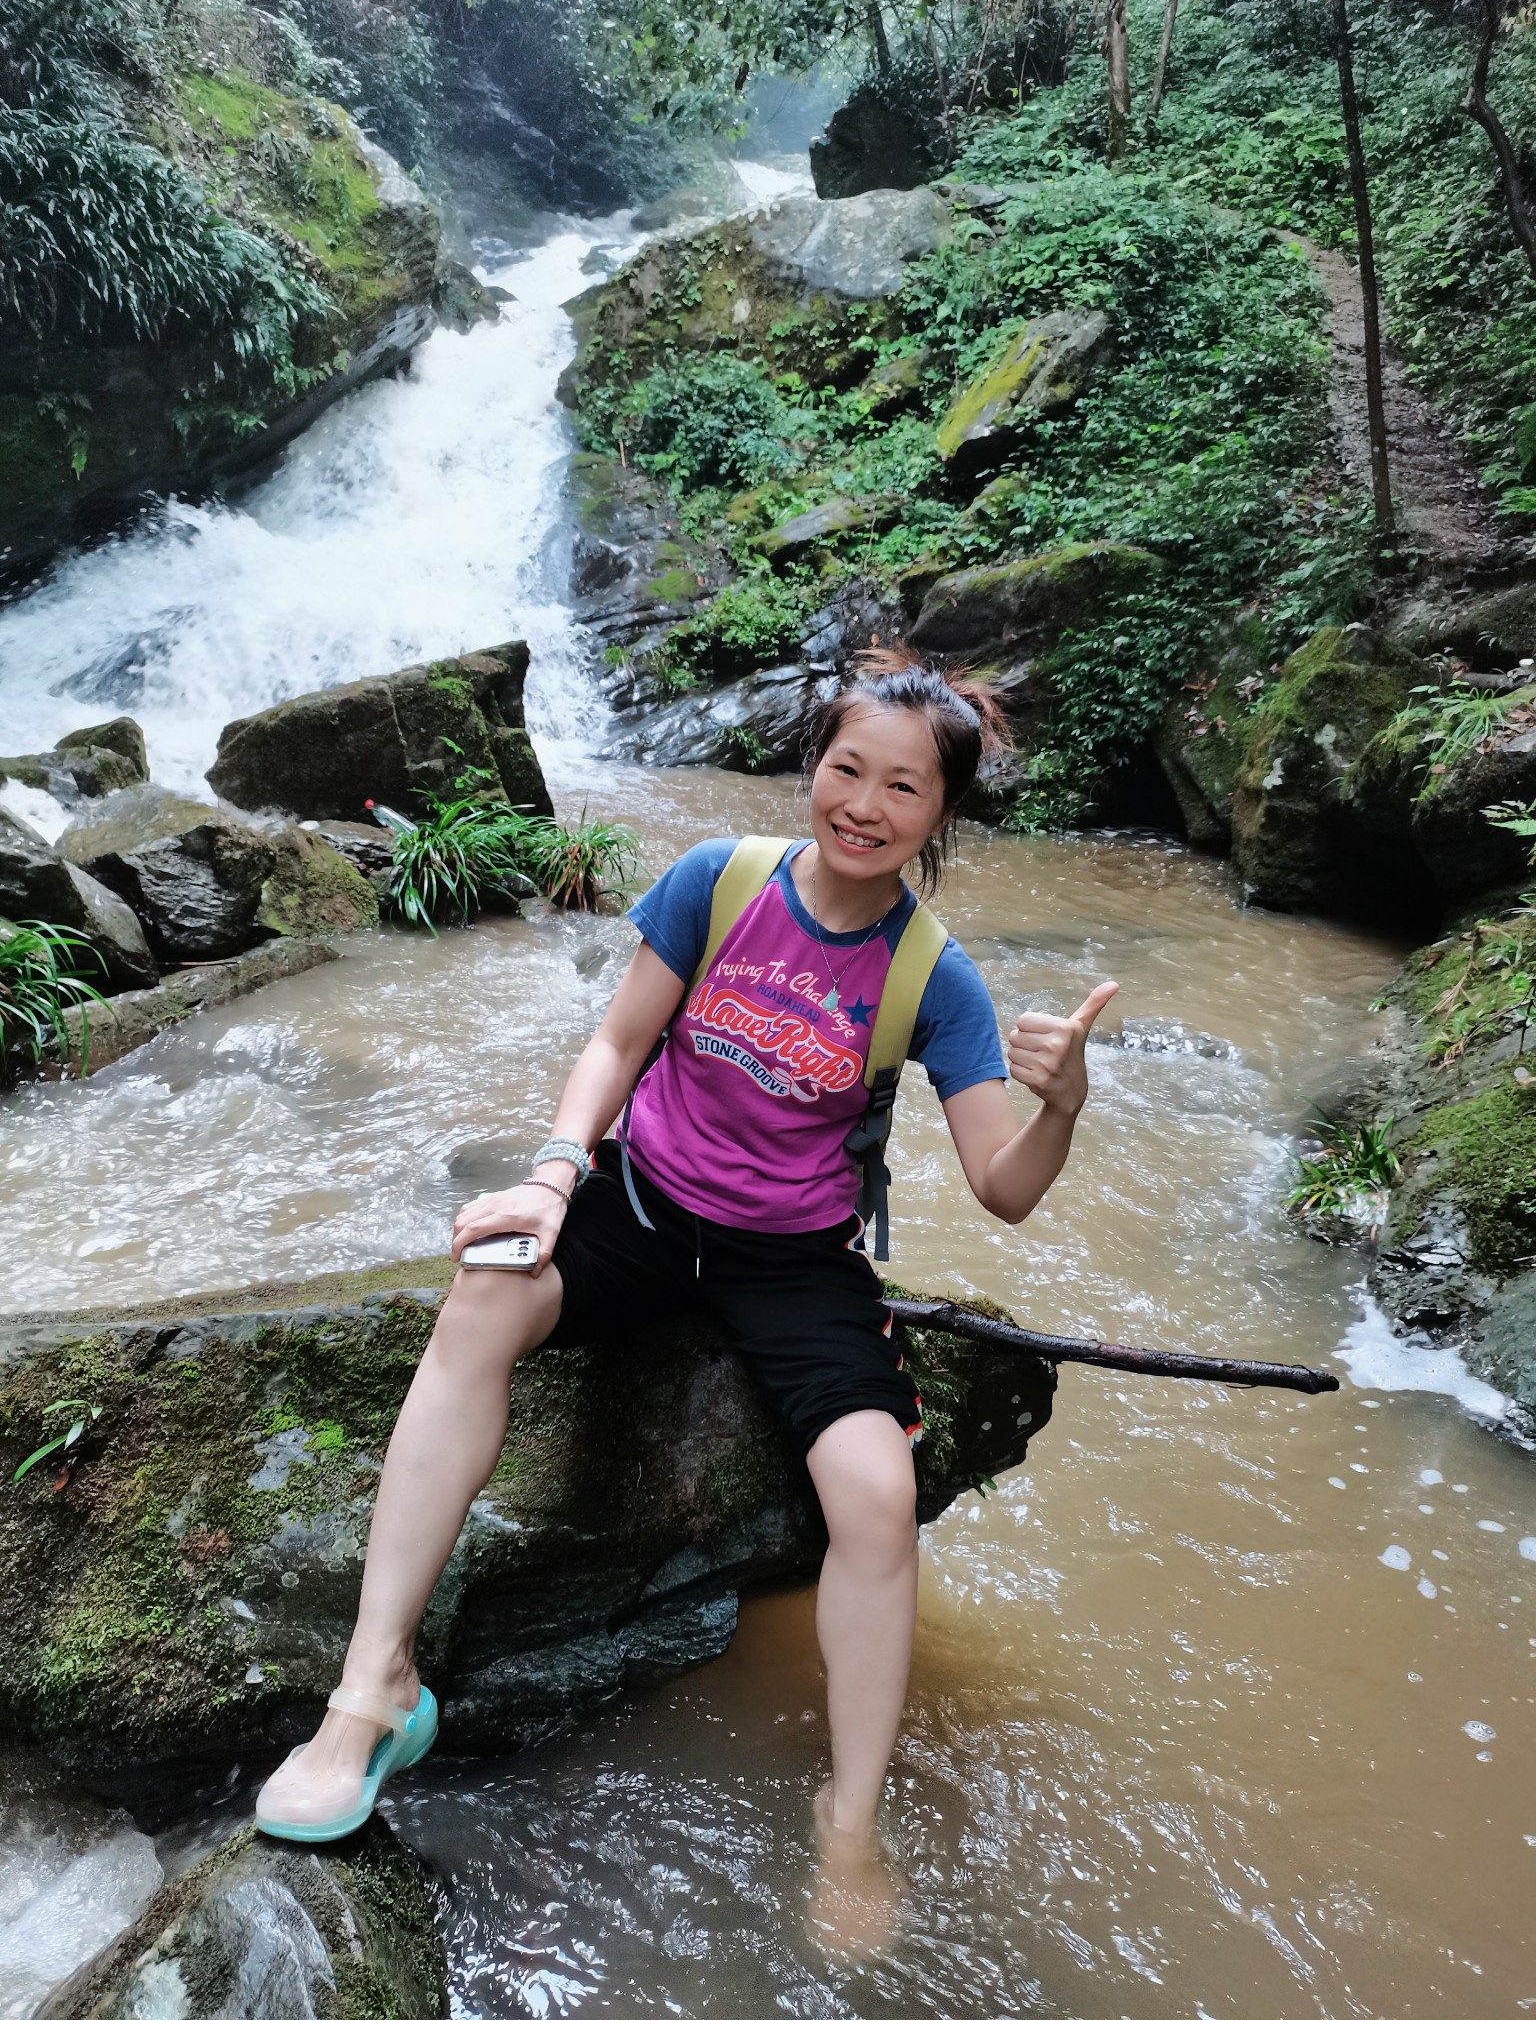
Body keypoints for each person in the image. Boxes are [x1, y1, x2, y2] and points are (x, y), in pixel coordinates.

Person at [254, 647, 1118, 1947]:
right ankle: (372, 1692)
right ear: (812, 767)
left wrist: (1065, 1106)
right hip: (643, 1204)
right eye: (846, 769)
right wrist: (554, 1178)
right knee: (485, 1296)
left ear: (940, 815)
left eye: (901, 787)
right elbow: (614, 1042)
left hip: (795, 1258)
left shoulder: (933, 977)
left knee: (877, 1492)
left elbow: (1004, 1185)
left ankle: (849, 1815)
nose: (865, 805)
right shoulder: (718, 884)